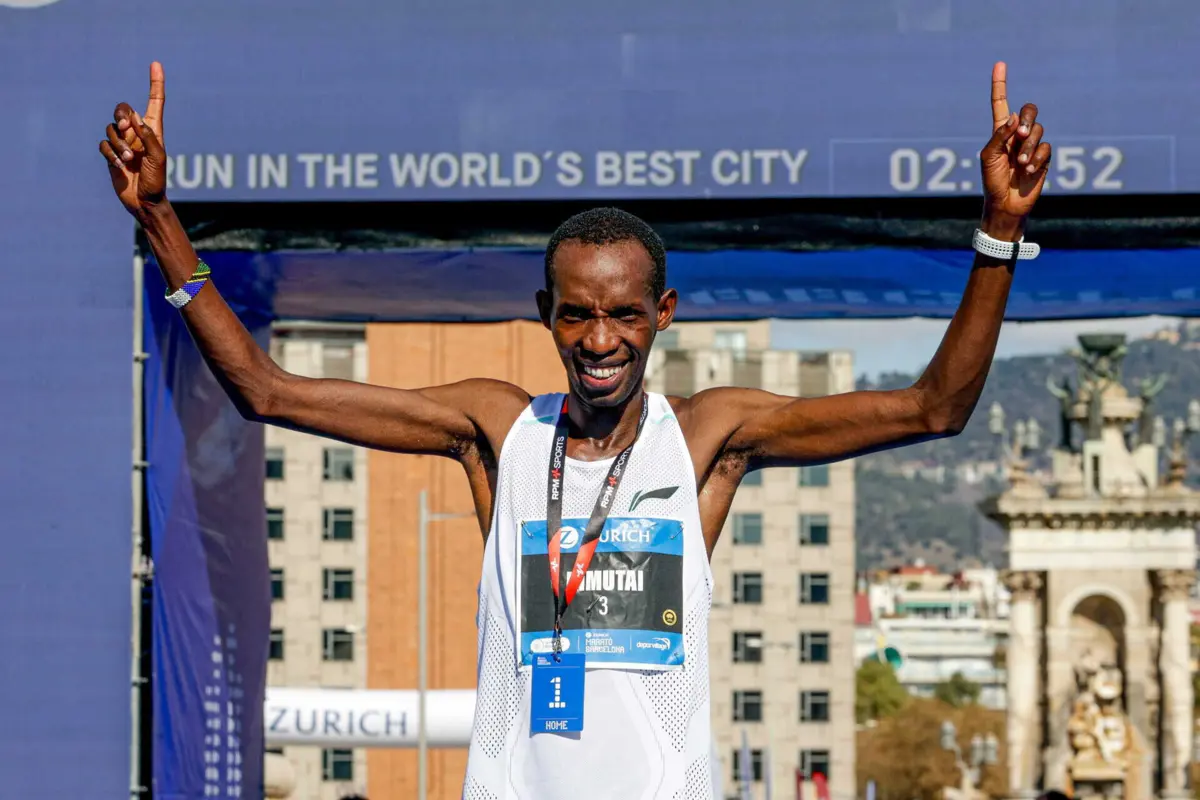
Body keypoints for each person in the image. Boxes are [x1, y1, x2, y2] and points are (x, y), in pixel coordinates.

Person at [100, 61, 1051, 799]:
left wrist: (998, 233)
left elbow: (935, 408)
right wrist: (162, 222)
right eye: (577, 315)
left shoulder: (711, 435)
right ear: (545, 312)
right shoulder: (497, 431)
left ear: (663, 312)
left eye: (625, 315)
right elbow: (269, 392)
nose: (601, 340)